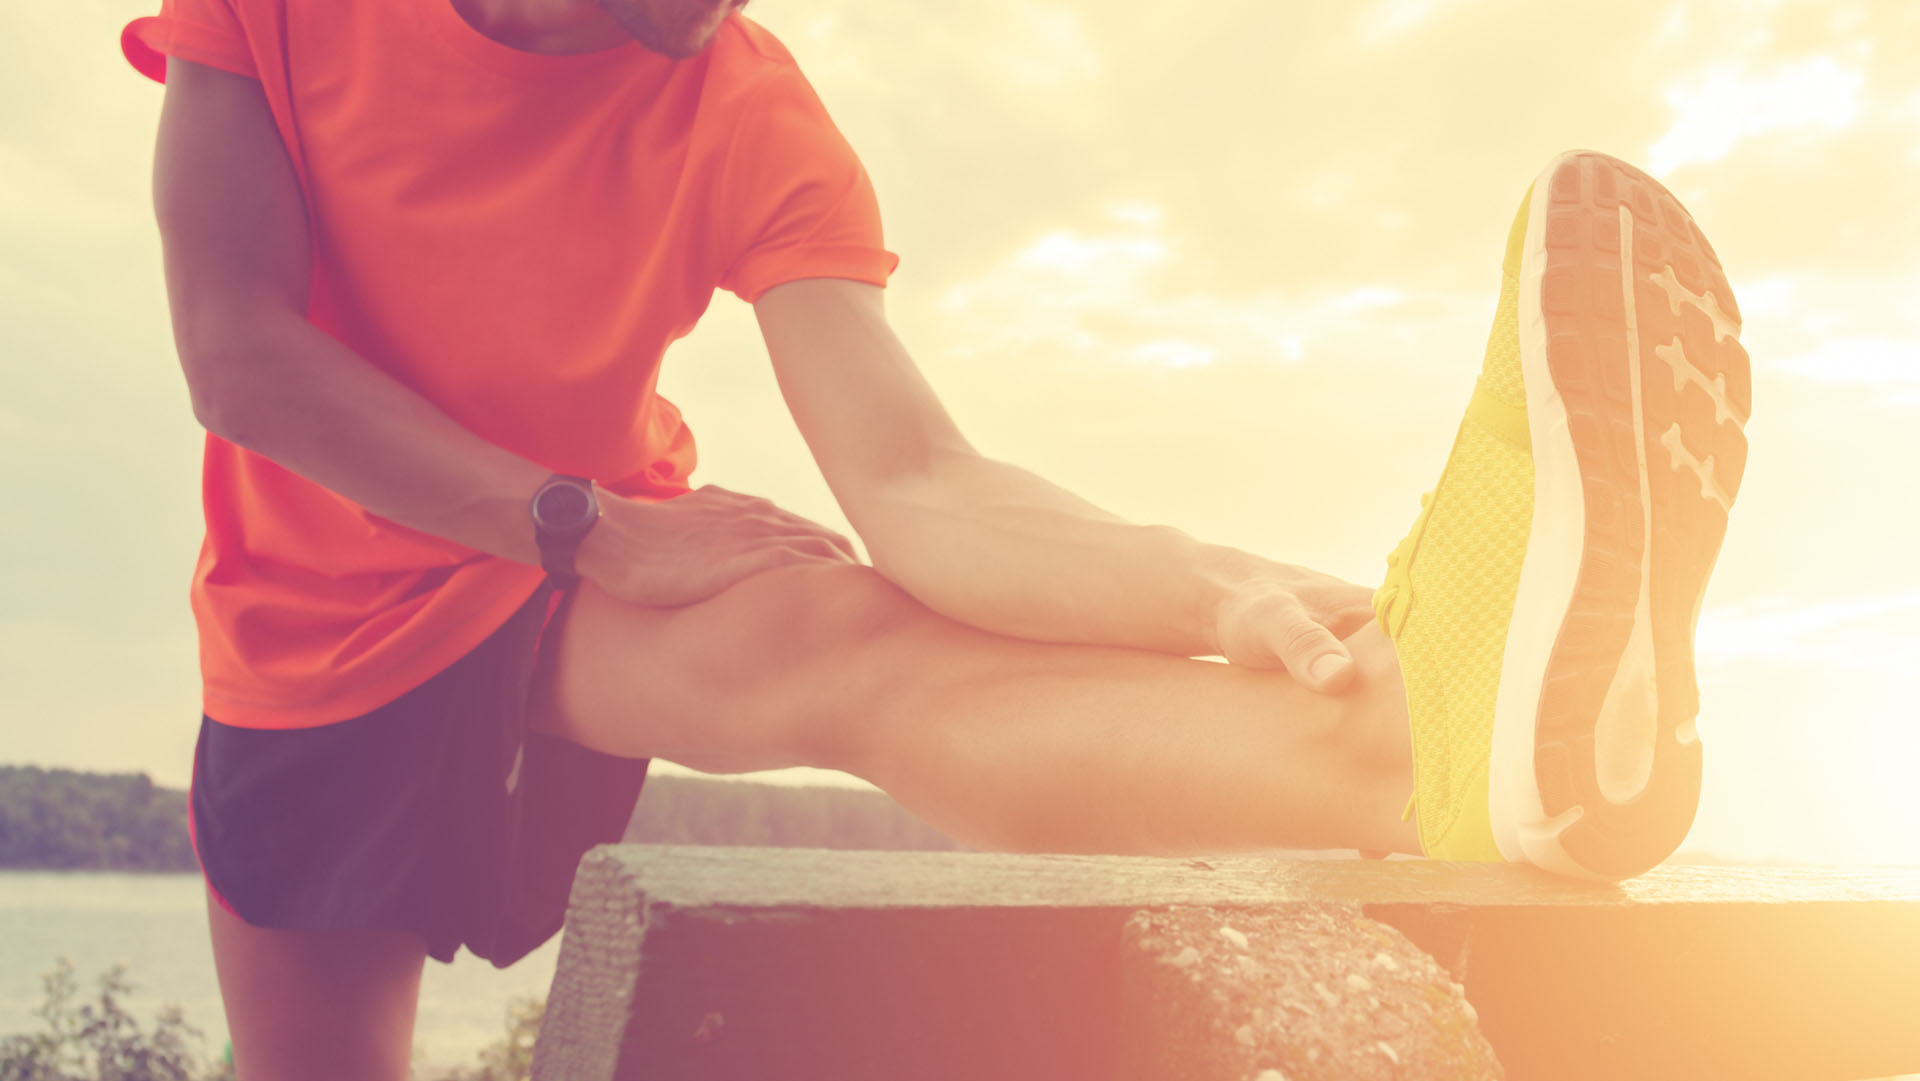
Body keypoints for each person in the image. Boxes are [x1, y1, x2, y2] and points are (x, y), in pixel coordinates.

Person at [121, 0, 1750, 1076]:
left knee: (834, 630)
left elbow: (919, 485)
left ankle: (1421, 739)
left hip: (576, 576)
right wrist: (584, 523)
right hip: (307, 646)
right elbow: (237, 350)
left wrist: (1217, 581)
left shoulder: (743, 101)